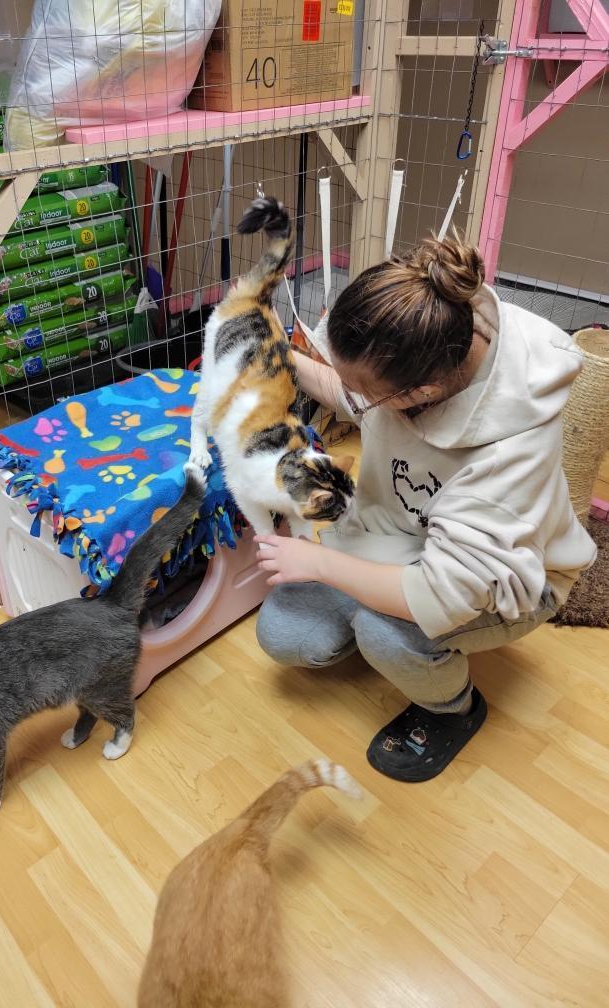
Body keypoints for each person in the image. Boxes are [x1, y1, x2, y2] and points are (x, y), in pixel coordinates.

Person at [254, 234, 596, 782]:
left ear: (423, 395)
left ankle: (452, 708)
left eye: (367, 393)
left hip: (507, 581)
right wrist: (280, 358)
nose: (357, 399)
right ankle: (397, 640)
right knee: (287, 637)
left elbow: (443, 591)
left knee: (385, 632)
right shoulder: (430, 344)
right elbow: (353, 394)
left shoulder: (509, 447)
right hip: (404, 535)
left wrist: (317, 564)